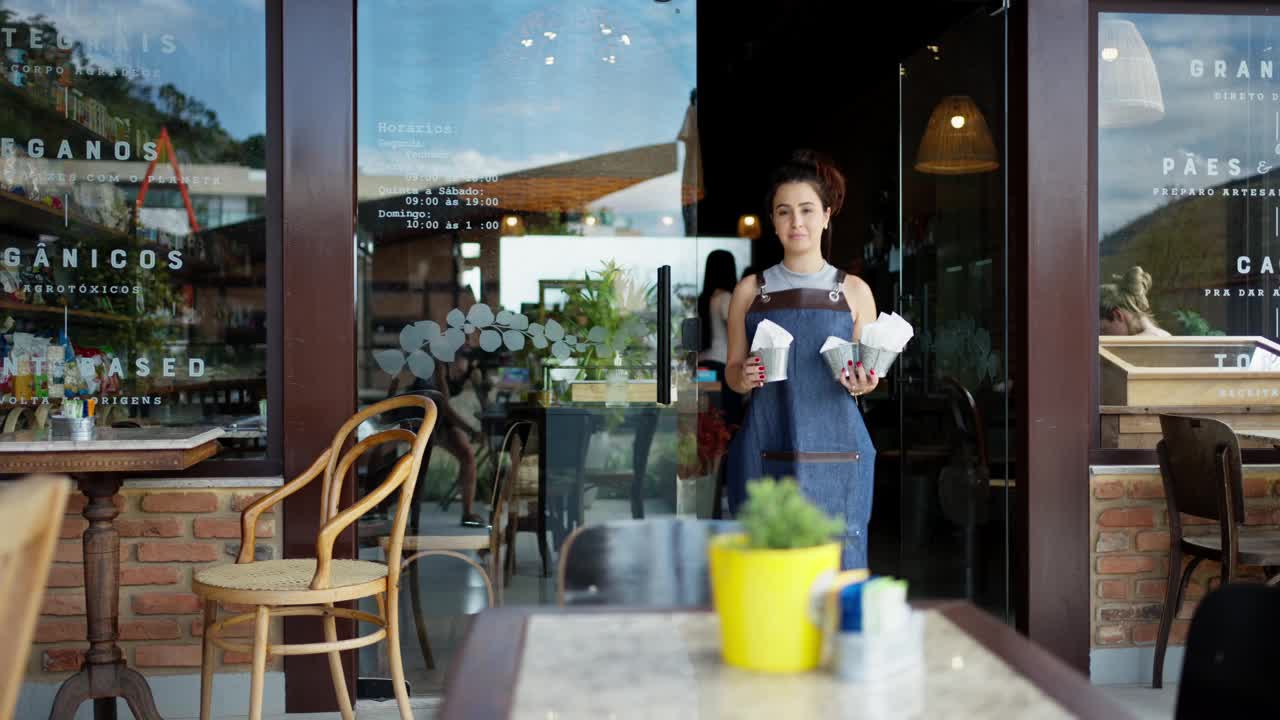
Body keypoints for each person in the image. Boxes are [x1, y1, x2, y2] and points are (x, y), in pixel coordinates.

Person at [723, 150, 879, 570]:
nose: (797, 222)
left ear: (827, 216)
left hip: (841, 454)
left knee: (838, 568)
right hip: (765, 448)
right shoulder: (750, 291)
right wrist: (746, 375)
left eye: (807, 210)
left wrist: (864, 381)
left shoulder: (855, 292)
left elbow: (867, 378)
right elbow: (733, 374)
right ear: (773, 221)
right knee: (765, 569)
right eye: (784, 211)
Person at [697, 249, 742, 426]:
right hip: (722, 368)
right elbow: (737, 332)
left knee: (707, 422)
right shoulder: (725, 298)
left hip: (702, 367)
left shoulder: (703, 299)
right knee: (728, 421)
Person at [1100, 266, 1170, 337]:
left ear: (1117, 315)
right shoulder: (1166, 336)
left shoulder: (1127, 345)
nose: (1102, 336)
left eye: (1103, 330)